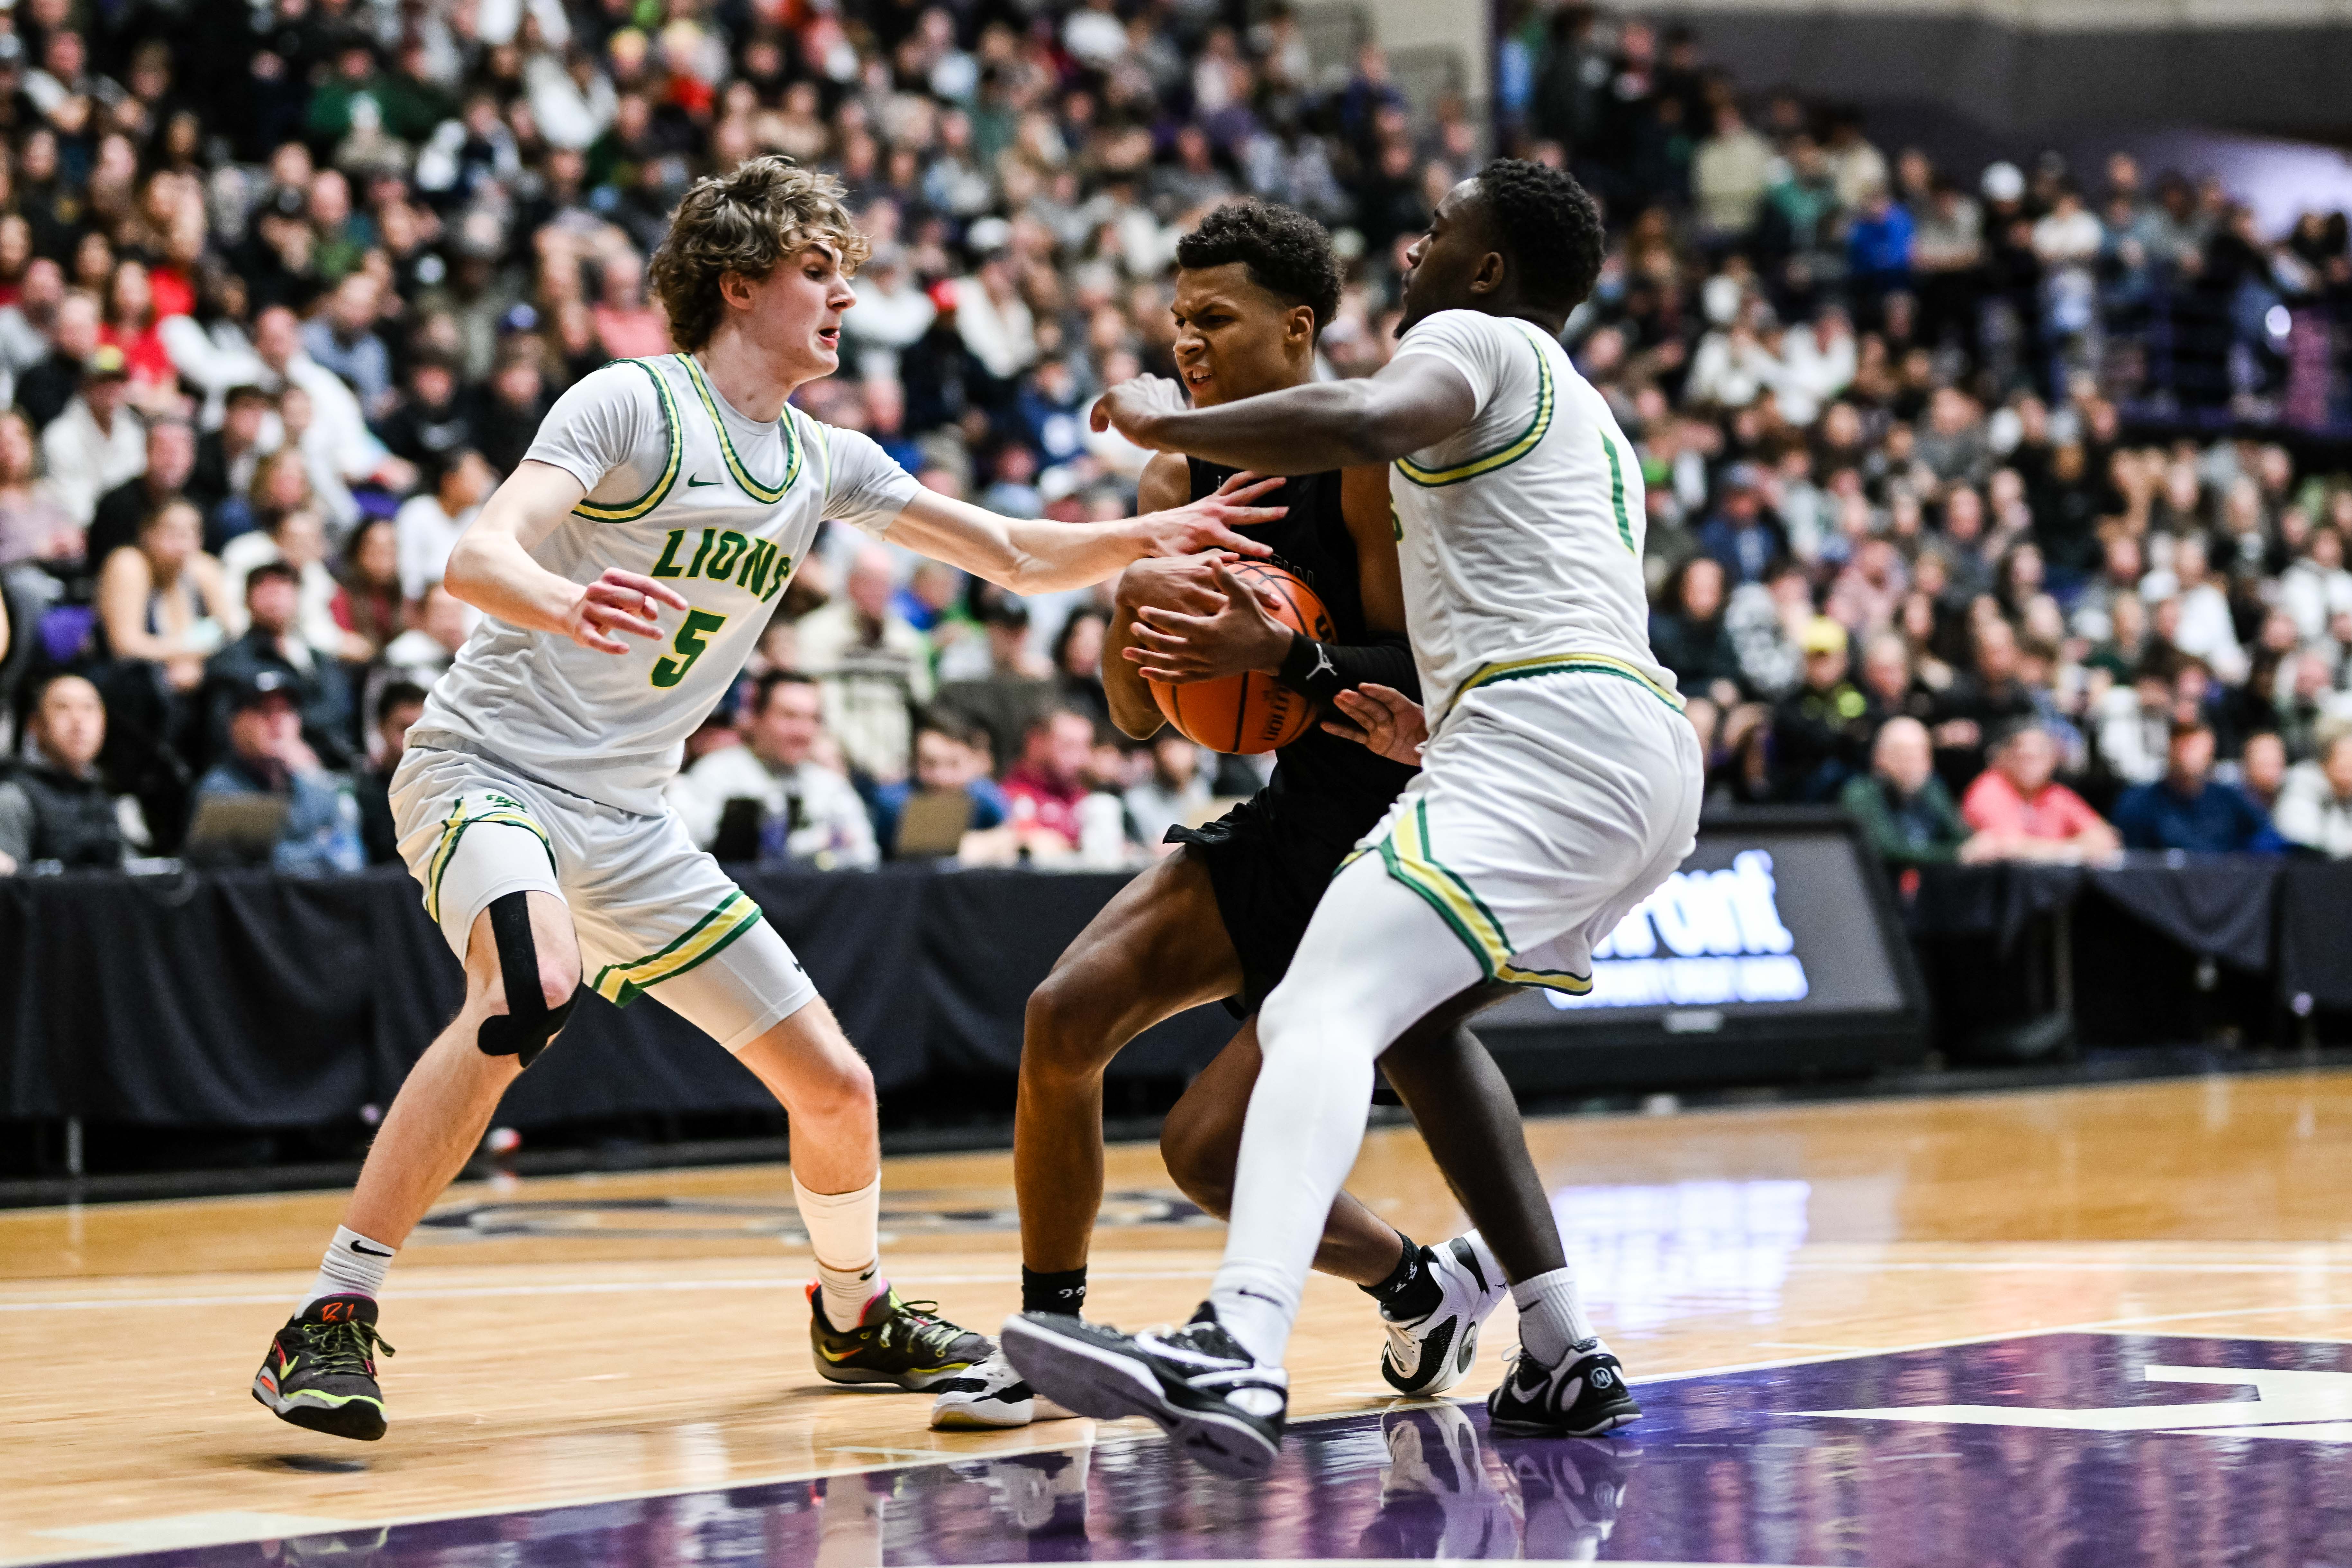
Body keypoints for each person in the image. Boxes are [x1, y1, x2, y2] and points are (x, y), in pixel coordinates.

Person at [250, 156, 1280, 1445]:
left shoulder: (820, 457)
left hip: (630, 822)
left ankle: (853, 1313)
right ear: (738, 288)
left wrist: (1146, 539)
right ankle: (332, 1314)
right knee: (526, 988)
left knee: (839, 1090)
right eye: (815, 270)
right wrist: (562, 598)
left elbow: (1009, 553)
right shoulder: (633, 404)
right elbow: (475, 551)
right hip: (488, 771)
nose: (844, 292)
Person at [1007, 162, 1703, 1473]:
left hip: (1536, 739)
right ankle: (1557, 1346)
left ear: (1488, 268)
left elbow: (1373, 417)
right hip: (1607, 751)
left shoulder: (1469, 343)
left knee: (1317, 1014)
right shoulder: (1586, 421)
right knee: (1412, 1027)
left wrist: (1160, 421)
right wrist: (1334, 685)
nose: (1415, 252)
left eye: (1441, 233)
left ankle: (1239, 1341)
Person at [668, 669, 879, 869]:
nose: (803, 732)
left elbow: (866, 857)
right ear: (756, 717)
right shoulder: (714, 774)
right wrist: (819, 844)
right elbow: (690, 855)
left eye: (813, 719)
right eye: (790, 716)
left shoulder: (829, 784)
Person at [195, 672, 365, 876]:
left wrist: (313, 776)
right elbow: (245, 874)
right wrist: (316, 853)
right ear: (235, 725)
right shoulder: (220, 790)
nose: (277, 721)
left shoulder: (314, 784)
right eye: (263, 711)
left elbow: (351, 863)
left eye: (286, 711)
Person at [0, 673, 130, 873]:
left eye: (89, 709)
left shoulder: (107, 798)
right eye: (63, 708)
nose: (79, 723)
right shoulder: (13, 798)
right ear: (35, 725)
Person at [1958, 721, 2119, 861]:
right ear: (2006, 757)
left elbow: (2106, 839)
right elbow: (2006, 847)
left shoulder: (2056, 795)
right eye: (2024, 756)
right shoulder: (1989, 788)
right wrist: (2078, 848)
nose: (2031, 765)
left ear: (2053, 761)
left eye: (2040, 757)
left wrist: (2068, 851)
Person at [2112, 720, 2278, 854]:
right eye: (2183, 743)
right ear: (2171, 748)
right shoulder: (2139, 803)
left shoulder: (2229, 800)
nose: (2190, 753)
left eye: (2196, 745)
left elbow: (2268, 839)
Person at [1842, 715, 1987, 867]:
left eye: (1922, 754)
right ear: (1880, 757)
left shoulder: (1932, 788)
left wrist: (1981, 845)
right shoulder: (1861, 793)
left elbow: (1960, 835)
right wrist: (1954, 854)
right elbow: (1886, 849)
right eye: (1904, 754)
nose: (1913, 763)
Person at [354, 680, 427, 866]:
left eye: (421, 728)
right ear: (381, 727)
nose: (413, 739)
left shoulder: (447, 788)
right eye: (404, 728)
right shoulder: (362, 795)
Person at [2273, 728, 2352, 858]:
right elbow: (2302, 838)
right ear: (2325, 763)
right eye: (2344, 760)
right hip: (2294, 864)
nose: (2348, 767)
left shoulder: (2346, 793)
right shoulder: (2302, 784)